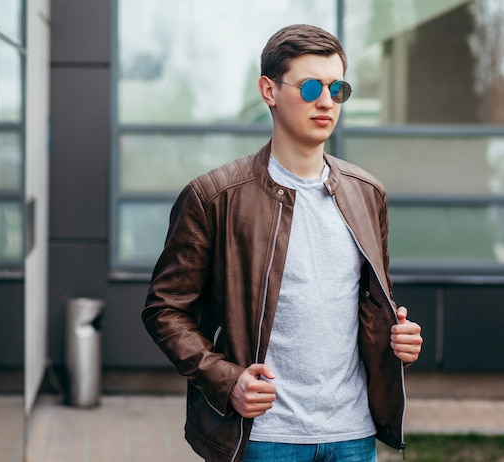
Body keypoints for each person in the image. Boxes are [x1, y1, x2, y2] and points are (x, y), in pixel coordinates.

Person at [142, 24, 423, 462]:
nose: (326, 101)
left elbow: (369, 303)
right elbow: (164, 309)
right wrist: (226, 379)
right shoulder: (214, 197)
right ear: (269, 91)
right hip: (263, 437)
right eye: (311, 86)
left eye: (338, 88)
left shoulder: (367, 194)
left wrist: (397, 339)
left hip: (353, 434)